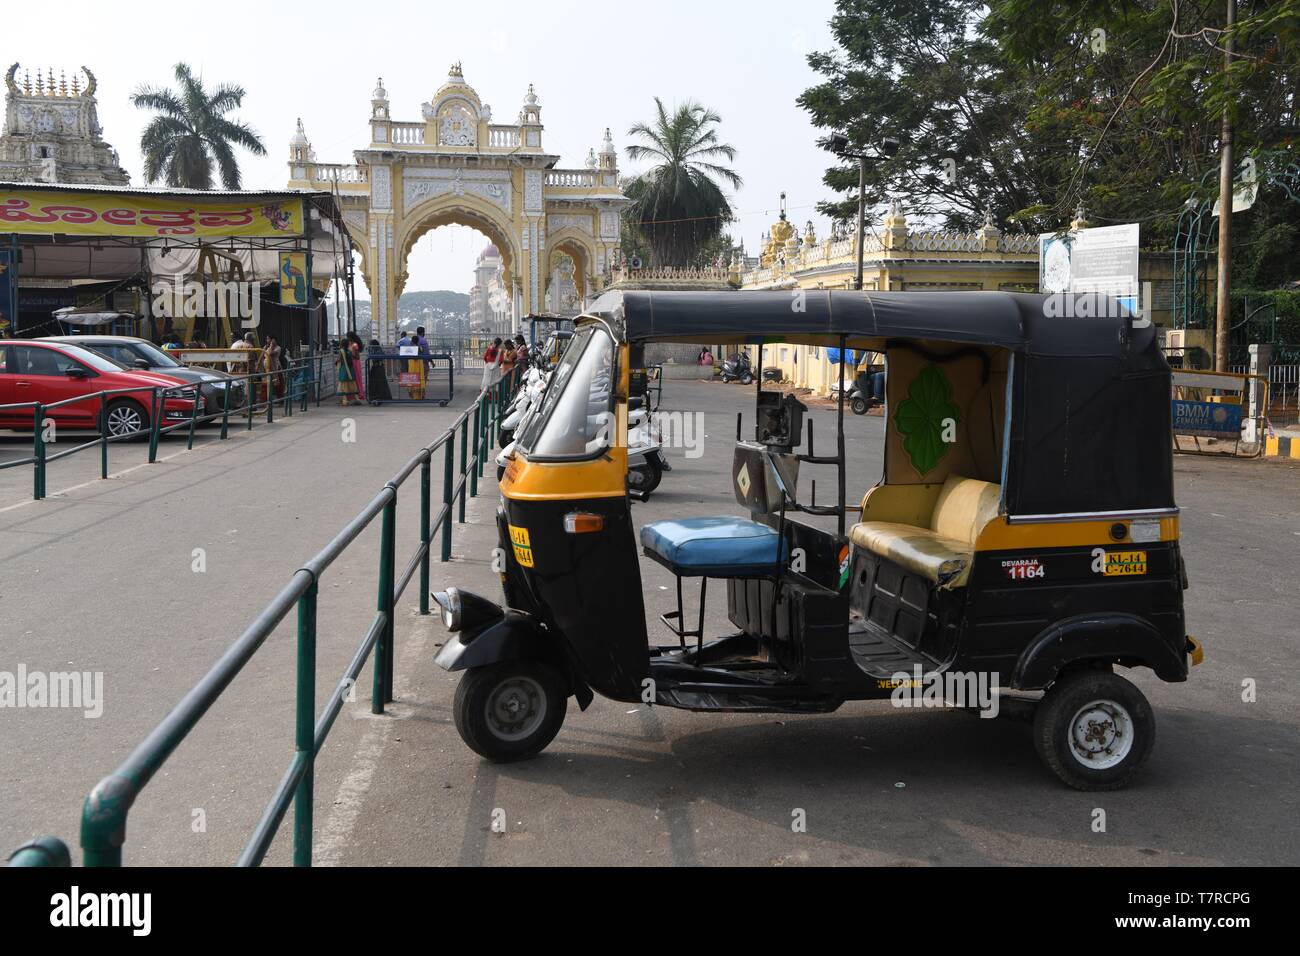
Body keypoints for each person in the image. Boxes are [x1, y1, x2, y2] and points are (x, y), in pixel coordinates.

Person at [400, 326, 428, 400]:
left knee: (412, 379)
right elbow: (424, 354)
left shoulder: (409, 349)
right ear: (418, 341)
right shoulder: (420, 348)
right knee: (420, 379)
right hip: (419, 366)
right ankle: (421, 395)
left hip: (411, 366)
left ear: (411, 341)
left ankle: (412, 395)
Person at [337, 332, 364, 406]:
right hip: (350, 364)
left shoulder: (354, 345)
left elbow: (357, 356)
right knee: (352, 380)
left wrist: (350, 355)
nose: (348, 338)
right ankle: (353, 397)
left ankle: (358, 395)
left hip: (354, 363)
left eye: (348, 337)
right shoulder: (348, 346)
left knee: (355, 379)